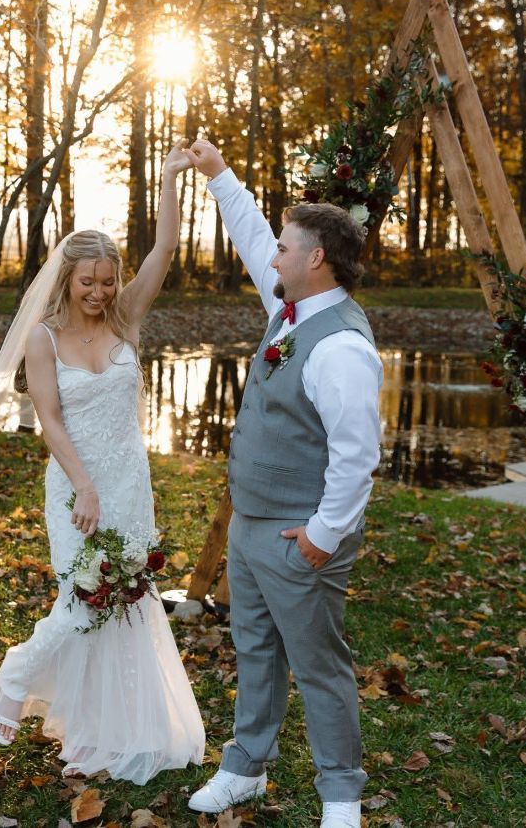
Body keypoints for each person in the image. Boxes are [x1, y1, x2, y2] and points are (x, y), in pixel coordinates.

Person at [0, 142, 204, 785]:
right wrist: (82, 486)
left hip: (130, 480)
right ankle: (18, 675)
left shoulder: (127, 316)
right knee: (83, 600)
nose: (100, 293)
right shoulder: (44, 337)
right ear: (67, 279)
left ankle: (120, 725)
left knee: (130, 599)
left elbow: (162, 251)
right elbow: (48, 417)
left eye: (107, 281)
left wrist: (167, 179)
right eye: (89, 283)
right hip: (78, 483)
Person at [185, 139, 382, 828]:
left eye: (285, 247)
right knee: (255, 649)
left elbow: (357, 457)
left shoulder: (341, 346)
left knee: (319, 664)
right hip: (250, 525)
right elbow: (249, 236)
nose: (272, 256)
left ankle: (339, 795)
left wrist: (321, 538)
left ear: (315, 259)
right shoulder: (289, 309)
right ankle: (245, 768)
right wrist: (218, 174)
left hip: (299, 535)